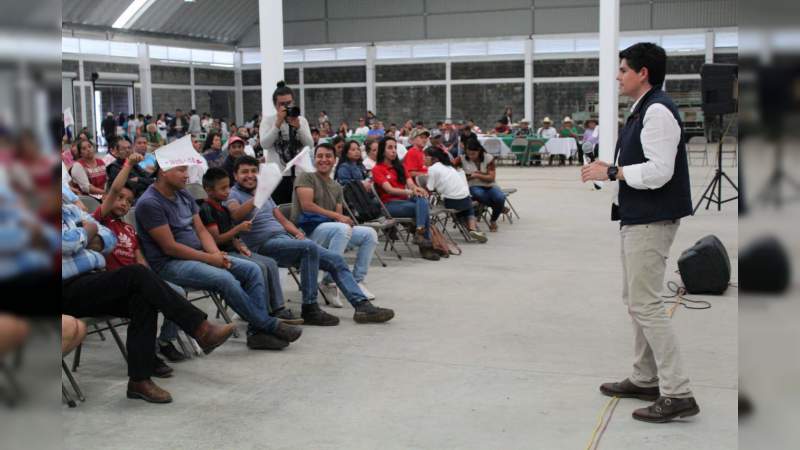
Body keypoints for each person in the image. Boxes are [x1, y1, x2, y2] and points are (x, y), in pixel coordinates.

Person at [581, 42, 698, 423]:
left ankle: (678, 392)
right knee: (637, 300)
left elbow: (660, 170)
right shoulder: (642, 110)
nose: (618, 76)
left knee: (646, 304)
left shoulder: (658, 110)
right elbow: (642, 164)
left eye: (623, 70)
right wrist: (611, 168)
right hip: (638, 215)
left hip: (652, 218)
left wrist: (614, 172)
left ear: (642, 73)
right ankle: (645, 377)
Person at [62, 190, 237, 403]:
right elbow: (64, 244)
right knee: (137, 274)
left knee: (143, 298)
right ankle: (200, 329)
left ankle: (139, 380)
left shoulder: (71, 210)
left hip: (91, 280)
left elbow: (109, 238)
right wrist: (88, 233)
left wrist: (87, 236)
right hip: (64, 289)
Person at [135, 160, 302, 351]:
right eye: (181, 170)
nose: (187, 175)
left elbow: (201, 231)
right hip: (170, 264)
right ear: (163, 171)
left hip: (200, 255)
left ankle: (256, 333)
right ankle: (268, 325)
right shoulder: (150, 203)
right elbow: (170, 247)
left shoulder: (183, 194)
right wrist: (210, 259)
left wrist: (215, 254)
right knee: (224, 278)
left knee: (252, 269)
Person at [226, 156, 395, 320]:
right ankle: (310, 307)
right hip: (263, 246)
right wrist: (258, 197)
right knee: (309, 248)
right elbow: (235, 214)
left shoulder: (264, 193)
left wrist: (297, 234)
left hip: (285, 239)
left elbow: (283, 220)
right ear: (235, 175)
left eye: (254, 171)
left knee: (334, 259)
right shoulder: (234, 195)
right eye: (244, 172)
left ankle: (362, 306)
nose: (249, 175)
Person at [95, 151, 188, 364]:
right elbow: (116, 188)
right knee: (149, 300)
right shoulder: (100, 222)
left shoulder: (129, 229)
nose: (124, 203)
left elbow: (140, 260)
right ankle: (146, 355)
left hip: (137, 280)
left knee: (178, 292)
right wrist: (128, 164)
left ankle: (165, 341)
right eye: (119, 199)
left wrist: (154, 281)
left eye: (129, 201)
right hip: (113, 284)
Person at [199, 168, 303, 325]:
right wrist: (239, 228)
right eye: (223, 188)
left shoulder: (223, 208)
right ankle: (261, 313)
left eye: (228, 187)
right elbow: (217, 239)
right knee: (258, 267)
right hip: (221, 253)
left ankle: (277, 308)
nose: (227, 192)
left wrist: (240, 244)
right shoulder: (206, 209)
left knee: (270, 263)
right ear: (208, 190)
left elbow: (231, 236)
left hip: (234, 250)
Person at [293, 143, 379, 300]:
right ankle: (329, 282)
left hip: (330, 229)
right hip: (307, 232)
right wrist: (338, 218)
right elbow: (307, 206)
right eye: (320, 156)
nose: (323, 160)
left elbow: (337, 216)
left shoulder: (336, 186)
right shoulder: (306, 177)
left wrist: (343, 220)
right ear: (314, 159)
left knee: (369, 234)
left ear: (334, 160)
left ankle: (357, 280)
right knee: (341, 229)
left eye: (328, 156)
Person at [372, 137, 438, 261]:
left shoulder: (400, 167)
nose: (394, 151)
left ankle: (419, 233)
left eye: (395, 148)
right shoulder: (378, 169)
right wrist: (409, 192)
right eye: (390, 148)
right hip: (389, 205)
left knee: (422, 199)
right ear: (382, 151)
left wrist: (417, 189)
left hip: (405, 202)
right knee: (422, 208)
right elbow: (389, 190)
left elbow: (411, 184)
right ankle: (426, 247)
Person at [259, 81, 314, 205]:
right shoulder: (268, 121)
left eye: (289, 103)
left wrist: (298, 127)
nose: (286, 107)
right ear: (275, 105)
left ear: (293, 101)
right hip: (277, 176)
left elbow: (310, 145)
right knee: (280, 209)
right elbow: (264, 144)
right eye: (281, 104)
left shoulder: (301, 120)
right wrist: (277, 124)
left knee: (299, 209)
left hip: (300, 174)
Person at [423, 147, 487, 243]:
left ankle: (468, 228)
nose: (423, 159)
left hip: (452, 201)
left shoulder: (432, 169)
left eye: (426, 157)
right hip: (465, 198)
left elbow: (430, 189)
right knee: (467, 208)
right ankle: (472, 229)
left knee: (454, 207)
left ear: (434, 158)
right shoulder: (449, 166)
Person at [461, 140, 508, 232]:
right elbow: (453, 172)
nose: (471, 156)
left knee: (500, 197)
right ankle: (500, 208)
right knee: (479, 194)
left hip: (490, 185)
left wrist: (477, 175)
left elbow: (491, 178)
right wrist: (474, 176)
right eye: (468, 154)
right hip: (473, 185)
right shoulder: (462, 159)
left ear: (479, 150)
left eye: (473, 154)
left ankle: (493, 220)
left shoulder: (489, 158)